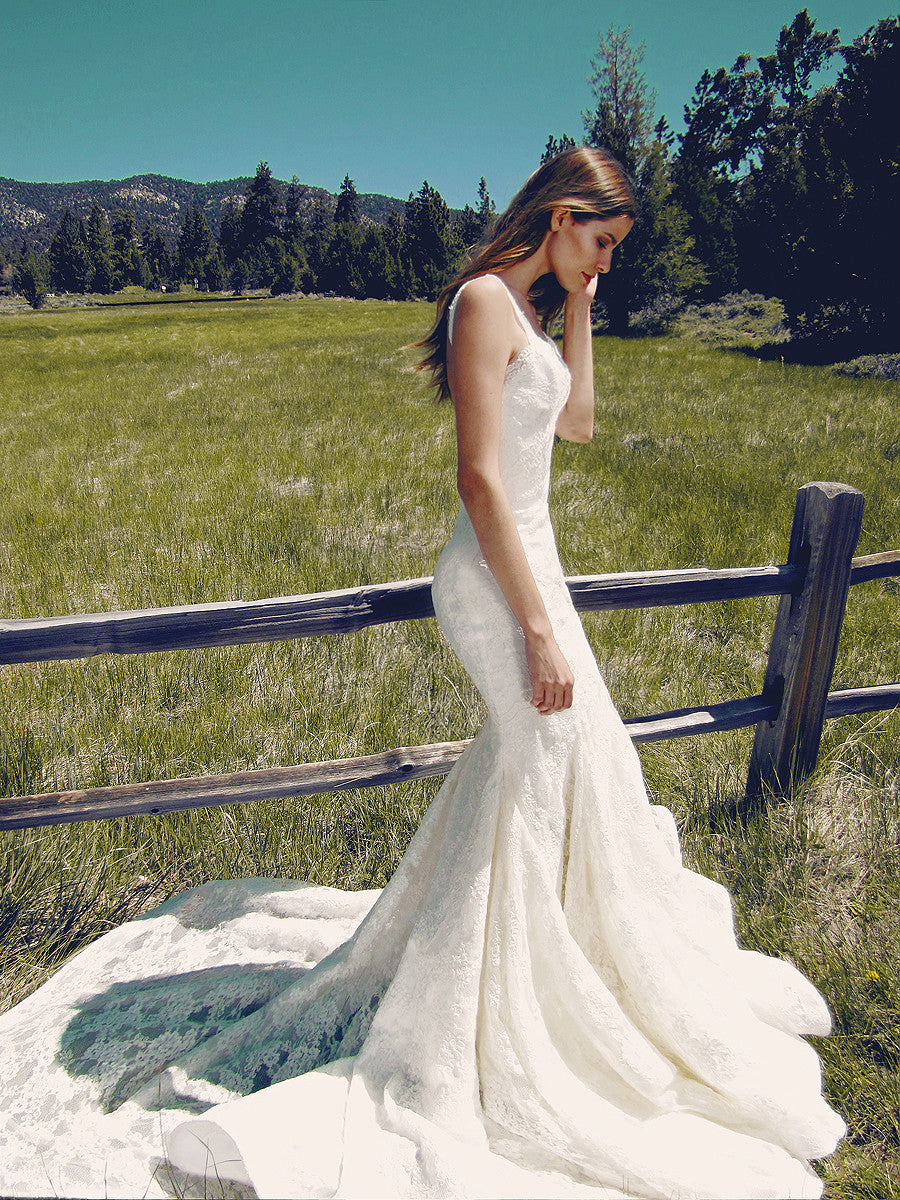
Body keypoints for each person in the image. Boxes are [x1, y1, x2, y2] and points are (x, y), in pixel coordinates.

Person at [0, 148, 844, 1200]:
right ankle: (488, 1014)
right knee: (543, 763)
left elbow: (575, 424)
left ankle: (540, 977)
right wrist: (536, 628)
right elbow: (479, 479)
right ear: (560, 214)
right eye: (600, 240)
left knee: (556, 773)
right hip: (497, 583)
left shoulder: (536, 311)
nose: (606, 260)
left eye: (615, 250)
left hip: (535, 571)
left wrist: (583, 305)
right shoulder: (485, 302)